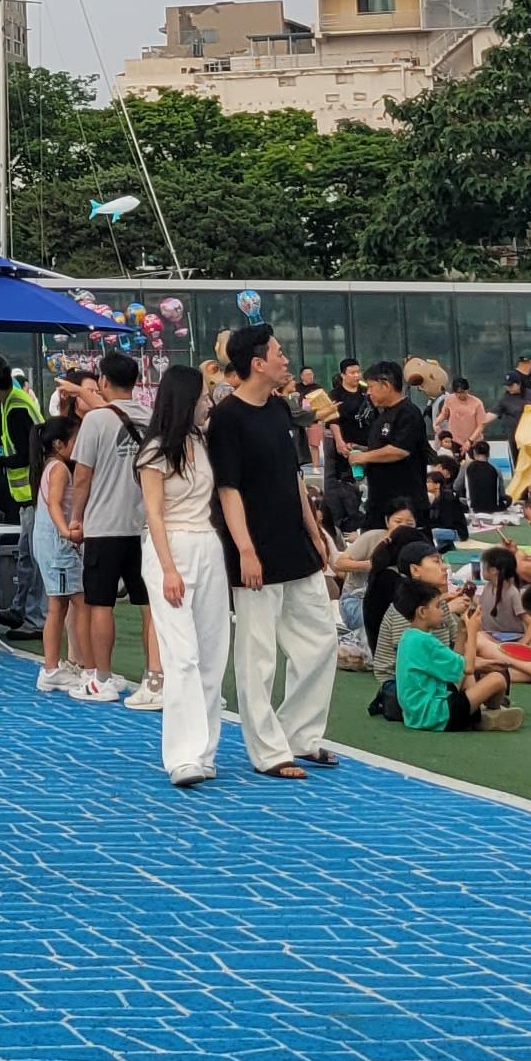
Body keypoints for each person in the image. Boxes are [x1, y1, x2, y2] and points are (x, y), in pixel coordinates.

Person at [206, 325, 342, 779]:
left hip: (295, 542)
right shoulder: (227, 417)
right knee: (258, 654)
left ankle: (300, 734)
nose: (286, 359)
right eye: (279, 353)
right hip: (255, 549)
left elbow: (295, 476)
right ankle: (267, 750)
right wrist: (245, 549)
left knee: (320, 640)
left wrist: (315, 531)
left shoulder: (280, 408)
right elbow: (228, 489)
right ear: (258, 363)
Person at [136, 363, 229, 787]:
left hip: (207, 544)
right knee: (183, 655)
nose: (208, 402)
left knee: (211, 653)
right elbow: (154, 514)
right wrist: (169, 568)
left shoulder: (203, 442)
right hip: (170, 547)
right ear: (185, 399)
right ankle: (182, 755)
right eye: (203, 395)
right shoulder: (155, 451)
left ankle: (205, 751)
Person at [71, 350, 162, 710]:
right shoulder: (152, 418)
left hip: (103, 525)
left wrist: (76, 518)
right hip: (145, 526)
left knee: (100, 604)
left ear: (104, 381)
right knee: (149, 605)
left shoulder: (96, 420)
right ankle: (154, 676)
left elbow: (82, 476)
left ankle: (103, 678)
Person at [391, 560, 520, 734]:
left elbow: (456, 664)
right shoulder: (425, 641)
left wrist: (462, 633)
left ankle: (479, 711)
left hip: (418, 714)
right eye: (438, 606)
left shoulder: (409, 637)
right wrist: (473, 632)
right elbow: (468, 667)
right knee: (497, 679)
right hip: (438, 715)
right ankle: (491, 711)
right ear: (422, 612)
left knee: (467, 675)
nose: (442, 611)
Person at [29, 412, 87, 693]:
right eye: (76, 441)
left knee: (59, 605)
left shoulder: (50, 466)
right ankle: (75, 668)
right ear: (59, 444)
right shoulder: (60, 469)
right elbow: (54, 503)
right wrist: (66, 531)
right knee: (77, 604)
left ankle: (54, 667)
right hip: (57, 546)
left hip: (50, 544)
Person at [345, 361, 433, 538]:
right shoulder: (382, 415)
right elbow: (383, 446)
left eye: (371, 387)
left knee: (410, 547)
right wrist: (361, 450)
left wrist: (364, 457)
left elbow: (400, 450)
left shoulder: (408, 413)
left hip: (404, 502)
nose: (368, 393)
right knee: (375, 546)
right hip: (379, 499)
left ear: (386, 385)